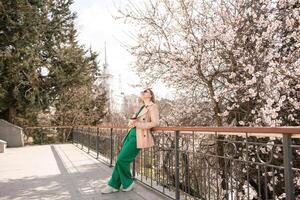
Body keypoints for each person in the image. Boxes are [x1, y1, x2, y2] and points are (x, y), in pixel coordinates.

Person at [101, 88, 160, 194]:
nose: (143, 92)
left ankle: (127, 183)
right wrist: (132, 122)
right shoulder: (141, 107)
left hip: (140, 136)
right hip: (131, 134)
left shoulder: (153, 106)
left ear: (151, 95)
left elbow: (155, 123)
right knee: (121, 159)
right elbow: (132, 121)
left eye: (146, 91)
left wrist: (138, 124)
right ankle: (113, 185)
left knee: (121, 159)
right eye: (142, 91)